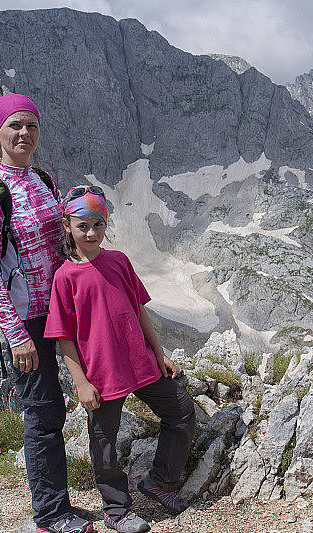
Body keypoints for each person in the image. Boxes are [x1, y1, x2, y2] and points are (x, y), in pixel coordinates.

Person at [0, 93, 94, 533]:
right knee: (43, 414)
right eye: (15, 126)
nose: (24, 133)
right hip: (27, 319)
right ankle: (50, 514)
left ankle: (71, 501)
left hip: (62, 308)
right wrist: (16, 334)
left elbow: (64, 241)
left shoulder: (42, 178)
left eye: (31, 126)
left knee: (73, 401)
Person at [44, 186, 195, 533]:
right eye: (83, 226)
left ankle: (160, 483)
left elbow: (139, 311)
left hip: (140, 362)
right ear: (68, 226)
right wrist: (80, 382)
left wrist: (160, 354)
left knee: (182, 411)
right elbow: (63, 337)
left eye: (98, 224)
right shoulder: (65, 277)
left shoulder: (119, 261)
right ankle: (116, 509)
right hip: (102, 374)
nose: (92, 232)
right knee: (104, 442)